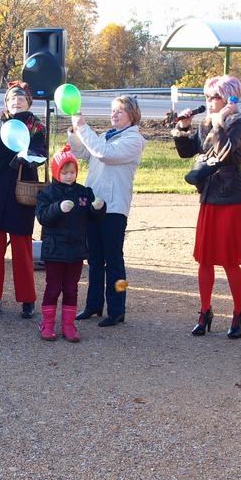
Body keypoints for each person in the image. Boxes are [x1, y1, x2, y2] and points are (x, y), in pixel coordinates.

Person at [172, 75, 241, 338]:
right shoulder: (207, 122)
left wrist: (220, 124)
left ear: (230, 99)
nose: (210, 102)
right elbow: (189, 153)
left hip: (231, 196)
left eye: (215, 97)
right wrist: (185, 129)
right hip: (210, 195)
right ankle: (205, 310)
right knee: (205, 259)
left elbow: (227, 154)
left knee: (230, 260)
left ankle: (237, 312)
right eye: (208, 97)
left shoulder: (236, 122)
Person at [68, 94, 145, 327]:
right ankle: (93, 305)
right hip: (95, 203)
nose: (114, 114)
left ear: (132, 116)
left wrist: (83, 127)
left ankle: (117, 307)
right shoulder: (107, 135)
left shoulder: (134, 140)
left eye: (119, 111)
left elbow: (105, 154)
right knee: (94, 258)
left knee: (113, 260)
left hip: (114, 207)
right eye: (112, 110)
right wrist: (74, 132)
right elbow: (84, 153)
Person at [0, 81, 46, 318]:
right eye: (12, 99)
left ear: (28, 102)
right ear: (6, 102)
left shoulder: (36, 125)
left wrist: (25, 156)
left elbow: (42, 153)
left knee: (22, 248)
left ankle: (27, 299)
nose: (17, 102)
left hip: (21, 191)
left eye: (21, 98)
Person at [35, 146, 106, 342]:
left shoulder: (83, 192)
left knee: (71, 288)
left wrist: (99, 208)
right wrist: (57, 208)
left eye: (72, 172)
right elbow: (43, 217)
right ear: (57, 172)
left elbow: (93, 218)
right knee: (53, 287)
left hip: (76, 250)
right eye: (64, 172)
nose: (69, 176)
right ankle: (47, 323)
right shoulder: (47, 193)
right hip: (55, 250)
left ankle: (68, 324)